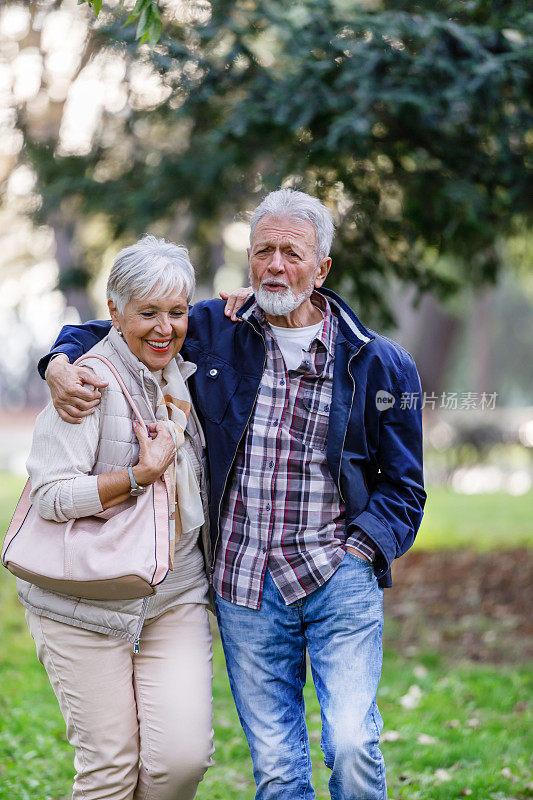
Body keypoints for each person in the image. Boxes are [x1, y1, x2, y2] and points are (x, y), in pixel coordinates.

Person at [41, 189, 426, 800]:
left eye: (292, 254)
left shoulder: (381, 363)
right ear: (249, 259)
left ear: (322, 268)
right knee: (276, 768)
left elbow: (404, 488)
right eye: (263, 251)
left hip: (338, 576)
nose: (275, 266)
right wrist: (58, 362)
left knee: (352, 744)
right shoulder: (216, 330)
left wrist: (362, 552)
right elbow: (120, 323)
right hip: (245, 583)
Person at [20, 234, 244, 800]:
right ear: (114, 312)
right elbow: (51, 495)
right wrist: (139, 476)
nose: (164, 327)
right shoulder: (84, 382)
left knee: (181, 762)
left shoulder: (189, 371)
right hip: (83, 600)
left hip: (175, 590)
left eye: (176, 312)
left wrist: (251, 293)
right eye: (147, 313)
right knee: (110, 769)